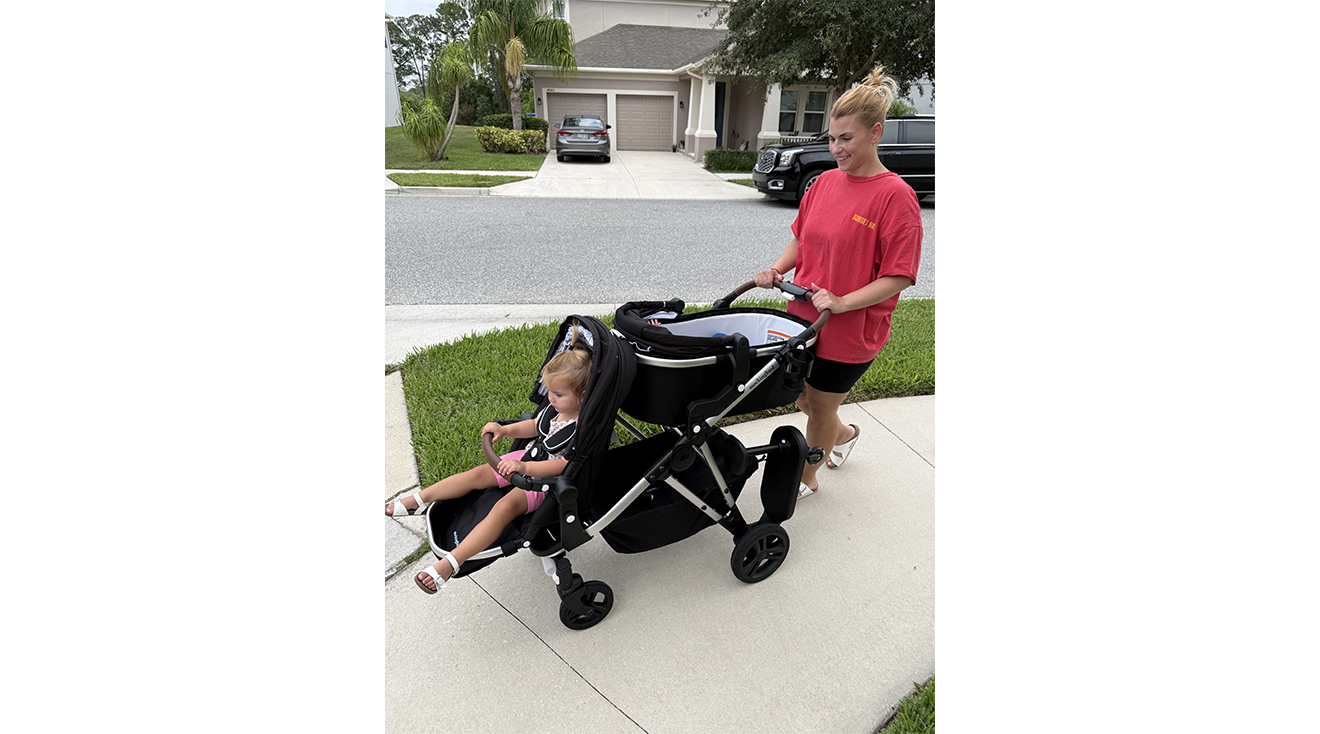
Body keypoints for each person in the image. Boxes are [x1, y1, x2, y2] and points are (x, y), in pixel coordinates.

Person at [752, 64, 923, 500]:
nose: (836, 148)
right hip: (803, 318)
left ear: (875, 133)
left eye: (846, 138)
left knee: (820, 406)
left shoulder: (895, 196)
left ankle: (806, 478)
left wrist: (844, 301)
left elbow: (899, 275)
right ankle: (844, 434)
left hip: (849, 329)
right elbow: (801, 239)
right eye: (832, 138)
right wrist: (776, 270)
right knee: (802, 398)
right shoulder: (824, 183)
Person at [385, 337, 591, 594]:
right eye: (549, 391)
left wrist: (525, 470)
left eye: (558, 394)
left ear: (583, 395)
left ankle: (451, 562)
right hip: (527, 458)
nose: (551, 398)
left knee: (504, 507)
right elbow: (534, 425)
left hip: (542, 481)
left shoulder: (581, 428)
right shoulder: (556, 408)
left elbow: (562, 465)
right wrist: (505, 430)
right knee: (476, 475)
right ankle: (419, 500)